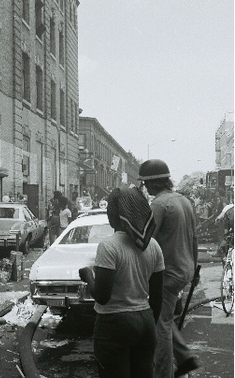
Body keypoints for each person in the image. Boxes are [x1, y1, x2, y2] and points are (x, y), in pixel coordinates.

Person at [79, 187, 164, 377]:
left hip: (114, 323)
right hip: (145, 320)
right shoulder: (154, 246)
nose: (108, 212)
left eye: (110, 208)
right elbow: (157, 296)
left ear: (117, 214)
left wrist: (88, 276)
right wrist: (150, 324)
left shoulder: (109, 247)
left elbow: (101, 296)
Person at [139, 159, 200, 377]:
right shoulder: (184, 201)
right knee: (164, 316)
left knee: (160, 324)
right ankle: (185, 356)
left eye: (145, 183)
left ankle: (164, 372)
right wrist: (195, 268)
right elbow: (194, 237)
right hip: (185, 269)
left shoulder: (159, 204)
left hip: (168, 273)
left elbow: (146, 240)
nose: (144, 187)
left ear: (153, 183)